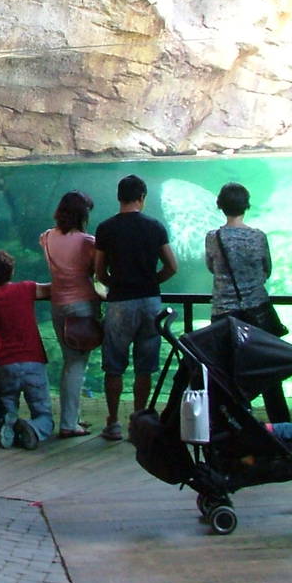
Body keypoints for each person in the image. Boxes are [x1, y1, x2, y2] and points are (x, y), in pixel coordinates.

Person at [92, 175, 178, 441]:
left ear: (119, 197)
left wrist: (113, 284)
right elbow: (172, 266)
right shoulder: (154, 226)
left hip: (119, 302)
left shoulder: (106, 228)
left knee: (114, 365)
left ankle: (113, 422)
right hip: (150, 301)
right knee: (145, 364)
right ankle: (138, 421)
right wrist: (152, 281)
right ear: (143, 197)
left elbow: (99, 271)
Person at [204, 181, 289, 424]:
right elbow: (267, 269)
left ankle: (238, 425)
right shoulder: (258, 236)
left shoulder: (213, 238)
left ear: (220, 206)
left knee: (228, 373)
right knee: (268, 370)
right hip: (257, 313)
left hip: (224, 315)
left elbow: (211, 267)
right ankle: (280, 424)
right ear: (247, 206)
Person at [0, 250, 53, 450]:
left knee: (7, 407)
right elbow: (50, 290)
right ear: (12, 271)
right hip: (33, 360)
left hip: (4, 363)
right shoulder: (26, 288)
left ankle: (7, 429)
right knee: (43, 413)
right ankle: (33, 427)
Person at [40, 191, 100, 439]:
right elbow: (96, 272)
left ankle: (71, 417)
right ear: (82, 214)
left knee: (69, 361)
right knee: (77, 364)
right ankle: (68, 423)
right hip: (82, 306)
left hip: (58, 305)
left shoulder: (46, 238)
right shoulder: (88, 242)